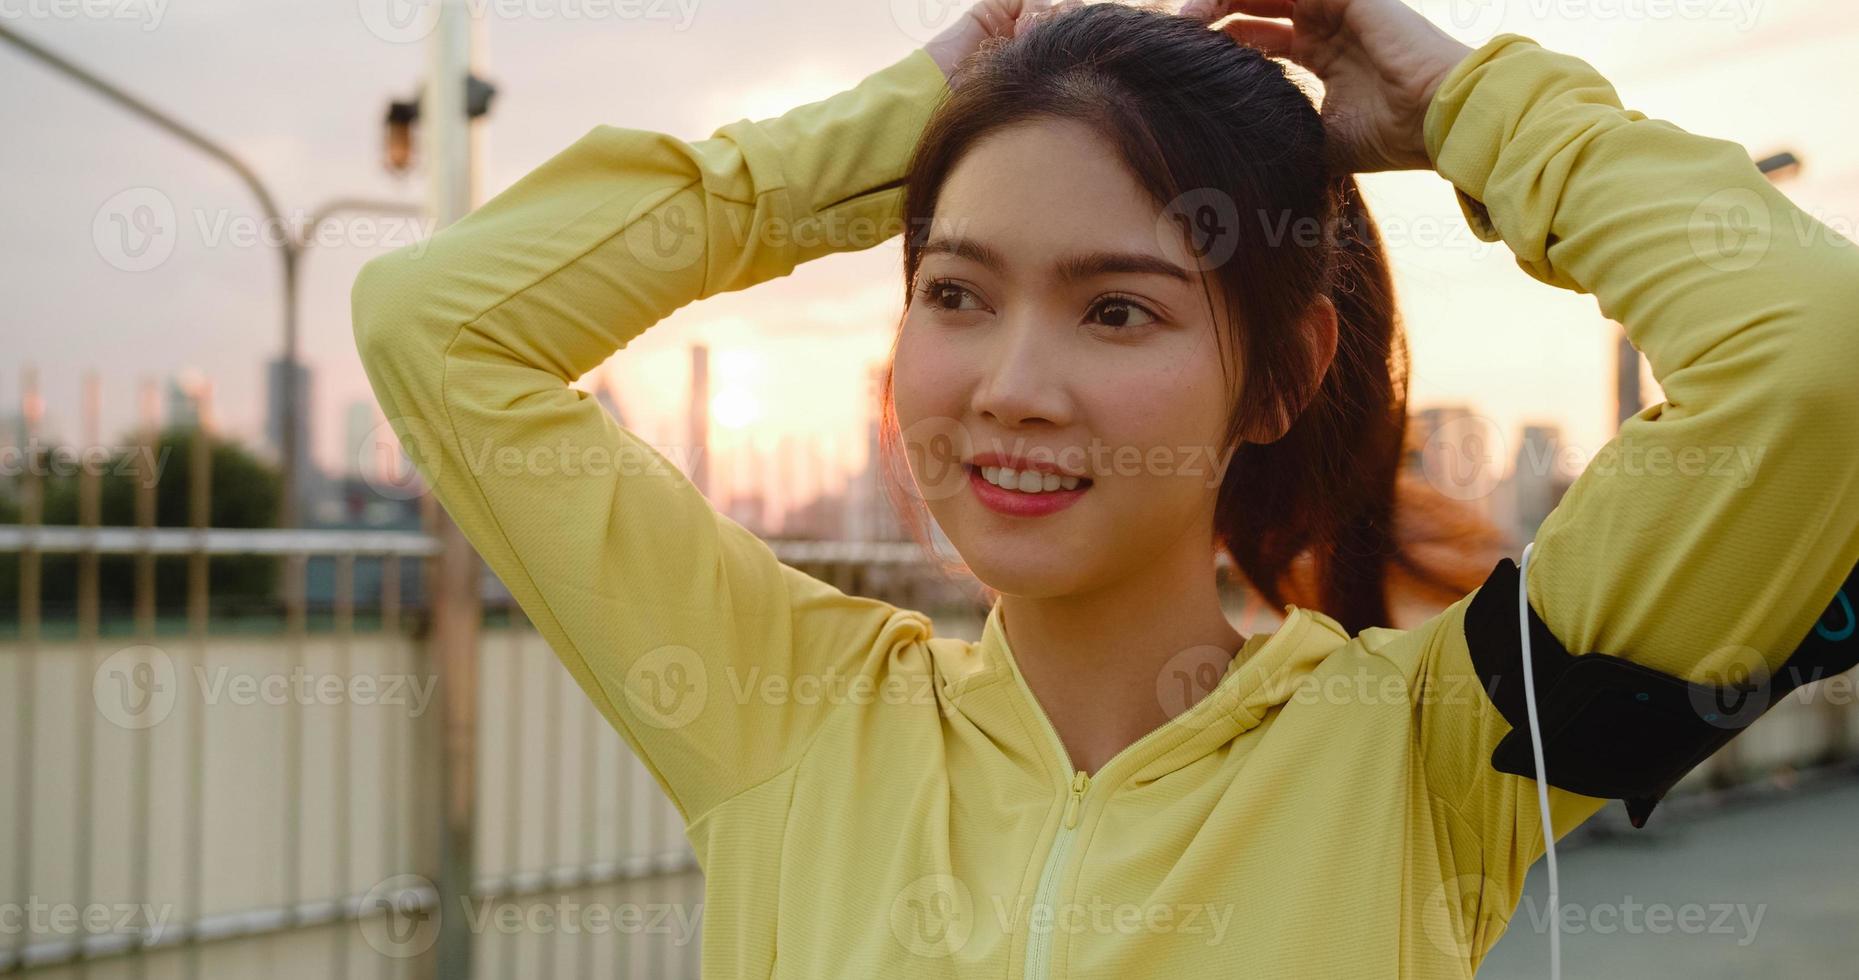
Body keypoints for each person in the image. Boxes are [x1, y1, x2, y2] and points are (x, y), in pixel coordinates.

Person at [351, 0, 1859, 974]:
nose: (1011, 381)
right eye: (955, 293)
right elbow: (440, 321)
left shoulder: (1422, 753)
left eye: (1116, 308)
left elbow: (1814, 357)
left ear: (1280, 376)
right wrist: (909, 118)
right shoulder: (787, 718)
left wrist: (1461, 99)